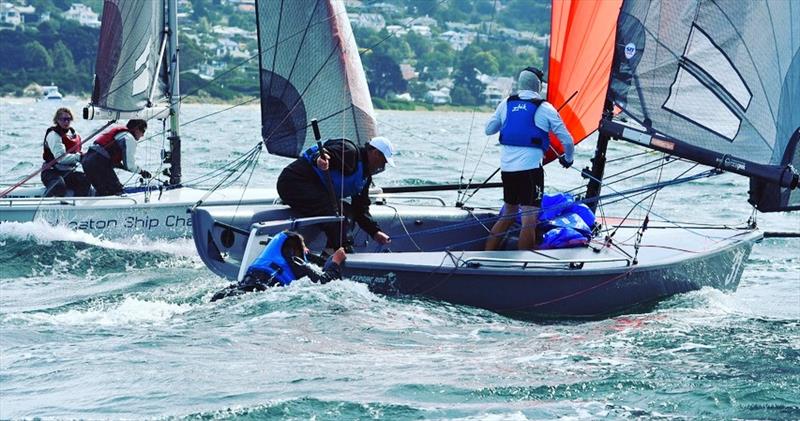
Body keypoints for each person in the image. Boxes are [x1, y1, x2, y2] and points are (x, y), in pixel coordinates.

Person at [484, 67, 575, 251]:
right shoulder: (545, 108)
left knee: (508, 213)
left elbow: (489, 130)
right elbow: (568, 140)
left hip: (507, 171)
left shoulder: (506, 103)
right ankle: (524, 262)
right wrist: (568, 159)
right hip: (530, 172)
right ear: (538, 85)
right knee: (529, 219)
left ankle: (486, 252)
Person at [276, 136, 394, 251]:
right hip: (293, 183)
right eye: (383, 162)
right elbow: (321, 152)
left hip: (314, 191)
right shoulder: (349, 152)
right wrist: (319, 159)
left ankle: (329, 255)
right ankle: (342, 251)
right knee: (336, 213)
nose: (382, 167)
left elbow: (360, 209)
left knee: (348, 212)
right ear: (375, 153)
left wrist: (375, 232)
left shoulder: (365, 178)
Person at [210, 230, 346, 301]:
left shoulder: (263, 262)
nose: (307, 251)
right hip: (255, 295)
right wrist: (336, 262)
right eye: (303, 246)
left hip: (238, 290)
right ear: (295, 249)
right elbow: (324, 281)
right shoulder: (296, 262)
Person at [81, 119, 152, 196]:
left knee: (104, 192)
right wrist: (142, 172)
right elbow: (129, 166)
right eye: (143, 131)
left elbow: (107, 155)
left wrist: (121, 166)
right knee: (116, 192)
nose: (142, 135)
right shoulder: (129, 138)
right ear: (136, 129)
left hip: (87, 160)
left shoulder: (121, 134)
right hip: (98, 162)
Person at [41, 108, 91, 197]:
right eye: (63, 119)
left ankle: (77, 205)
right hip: (51, 172)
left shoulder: (75, 135)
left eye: (69, 119)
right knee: (58, 185)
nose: (66, 122)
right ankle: (45, 205)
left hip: (68, 172)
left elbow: (79, 153)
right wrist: (79, 157)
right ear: (57, 120)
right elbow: (60, 158)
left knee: (85, 179)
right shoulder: (54, 135)